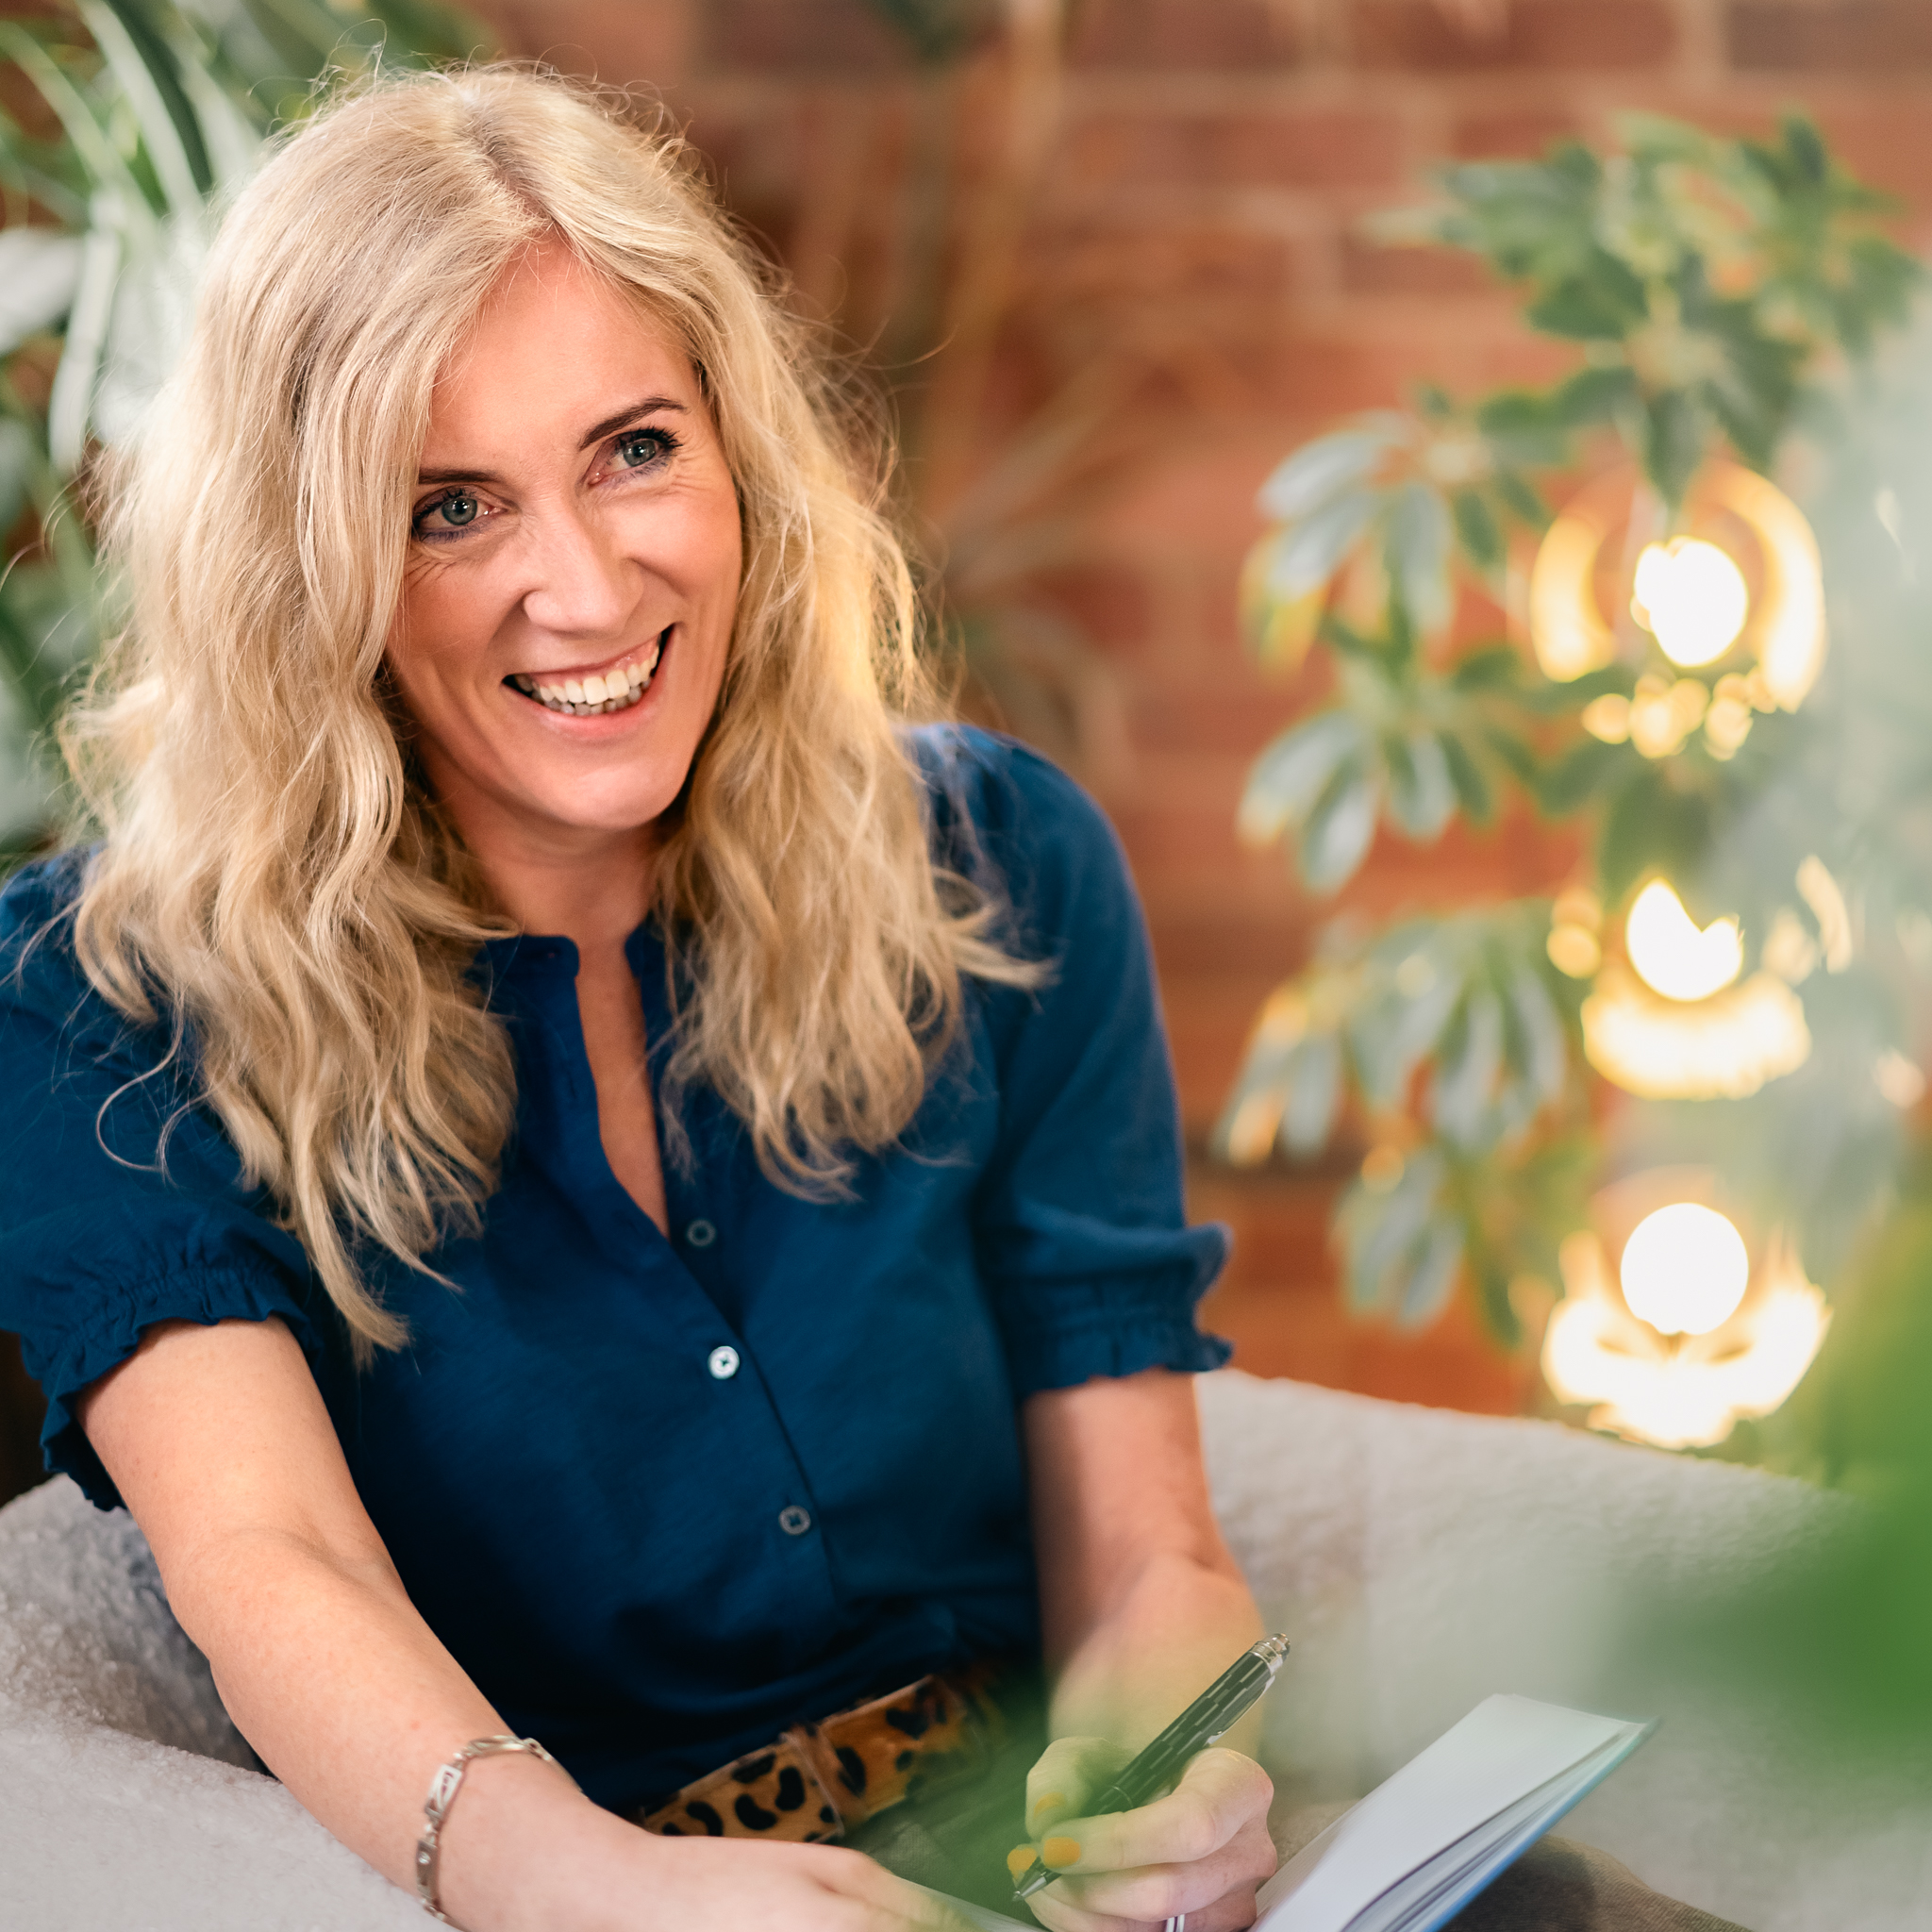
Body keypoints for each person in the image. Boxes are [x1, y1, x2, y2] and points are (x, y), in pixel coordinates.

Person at [0, 65, 1278, 1932]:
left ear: (737, 450)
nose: (583, 585)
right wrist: (595, 1890)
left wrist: (1175, 1783)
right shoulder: (93, 1007)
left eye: (633, 448)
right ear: (311, 565)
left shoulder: (1001, 864)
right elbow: (270, 1559)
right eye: (448, 506)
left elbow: (1153, 1552)